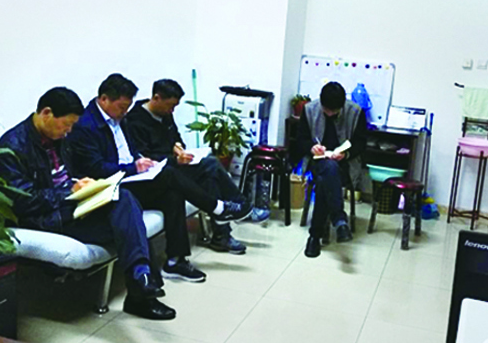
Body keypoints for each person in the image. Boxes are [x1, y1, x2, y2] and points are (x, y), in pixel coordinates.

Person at [0, 87, 175, 321]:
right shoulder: (13, 146)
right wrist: (68, 192)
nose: (69, 131)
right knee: (130, 224)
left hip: (71, 206)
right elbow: (22, 201)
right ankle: (142, 285)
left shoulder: (59, 138)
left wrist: (85, 184)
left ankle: (142, 278)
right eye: (66, 125)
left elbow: (67, 175)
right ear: (46, 113)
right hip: (46, 218)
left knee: (125, 199)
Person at [67, 74, 247, 283]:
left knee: (173, 192)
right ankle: (218, 208)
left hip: (132, 177)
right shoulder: (85, 126)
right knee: (169, 175)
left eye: (127, 107)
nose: (125, 112)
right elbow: (96, 168)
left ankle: (175, 261)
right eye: (122, 107)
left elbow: (130, 149)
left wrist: (140, 160)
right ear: (104, 99)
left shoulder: (119, 118)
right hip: (113, 186)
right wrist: (133, 167)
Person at [123, 78, 271, 256]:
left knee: (209, 176)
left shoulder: (165, 113)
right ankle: (241, 210)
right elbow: (145, 157)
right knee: (211, 165)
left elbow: (175, 137)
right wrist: (174, 159)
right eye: (170, 106)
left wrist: (178, 146)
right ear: (156, 98)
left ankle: (222, 234)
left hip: (174, 165)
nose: (172, 111)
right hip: (159, 173)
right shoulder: (134, 121)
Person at [290, 82, 370, 258]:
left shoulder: (355, 112)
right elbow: (300, 140)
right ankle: (339, 219)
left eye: (335, 111)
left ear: (342, 106)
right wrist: (312, 148)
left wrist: (346, 154)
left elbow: (361, 143)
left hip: (345, 166)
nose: (331, 114)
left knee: (324, 179)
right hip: (317, 162)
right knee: (328, 169)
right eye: (327, 110)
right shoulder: (310, 110)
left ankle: (315, 236)